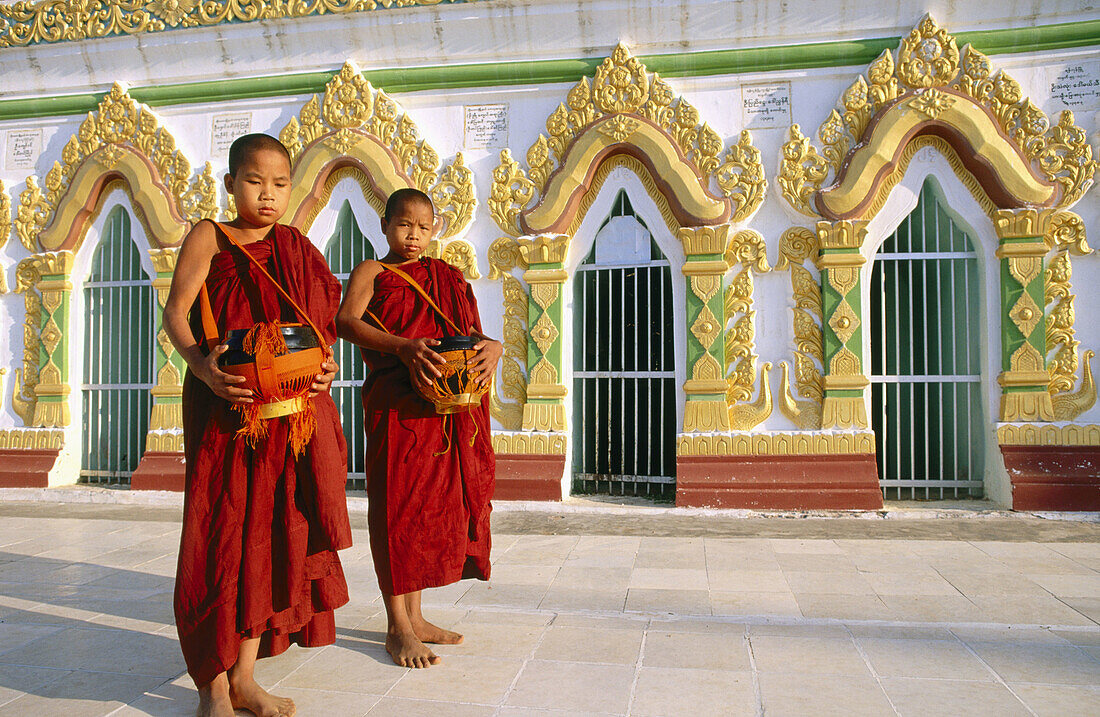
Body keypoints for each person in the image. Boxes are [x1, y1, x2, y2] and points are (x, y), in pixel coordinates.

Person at [163, 133, 351, 717]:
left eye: (279, 184)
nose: (267, 195)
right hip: (228, 411)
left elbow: (320, 326)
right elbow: (176, 312)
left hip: (289, 419)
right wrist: (201, 367)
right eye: (253, 181)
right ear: (229, 184)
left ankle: (243, 677)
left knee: (269, 539)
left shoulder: (296, 246)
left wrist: (326, 370)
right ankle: (210, 689)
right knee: (219, 538)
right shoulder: (209, 237)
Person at [335, 188, 501, 669]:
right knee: (397, 510)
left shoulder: (446, 275)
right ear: (385, 226)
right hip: (397, 406)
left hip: (446, 407)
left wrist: (495, 347)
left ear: (435, 230)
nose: (414, 235)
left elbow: (469, 333)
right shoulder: (374, 272)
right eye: (404, 225)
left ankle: (418, 616)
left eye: (424, 227)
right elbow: (346, 321)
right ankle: (397, 627)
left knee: (428, 510)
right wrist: (403, 347)